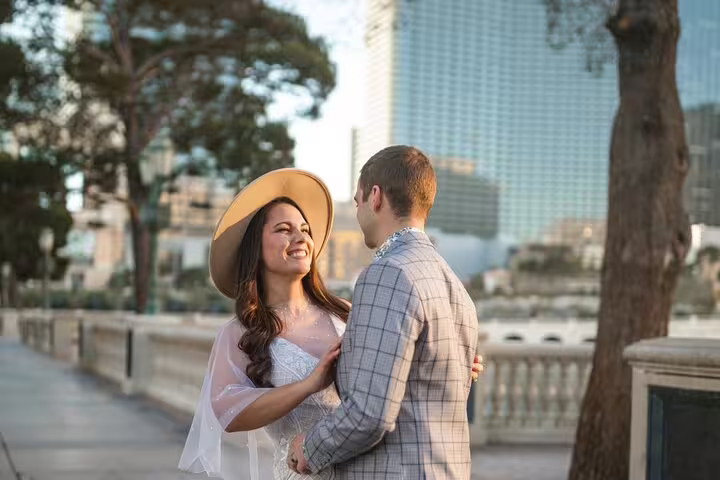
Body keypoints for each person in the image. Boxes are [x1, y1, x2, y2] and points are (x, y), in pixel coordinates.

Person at [178, 166, 481, 480]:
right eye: (284, 230)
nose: (300, 237)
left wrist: (443, 362)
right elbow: (228, 412)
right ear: (256, 248)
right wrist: (309, 384)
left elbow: (384, 387)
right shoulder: (241, 332)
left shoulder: (348, 313)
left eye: (305, 230)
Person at [286, 146, 479, 479]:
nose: (358, 209)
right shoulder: (454, 285)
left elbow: (371, 412)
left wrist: (310, 447)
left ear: (375, 196)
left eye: (357, 200)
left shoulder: (388, 273)